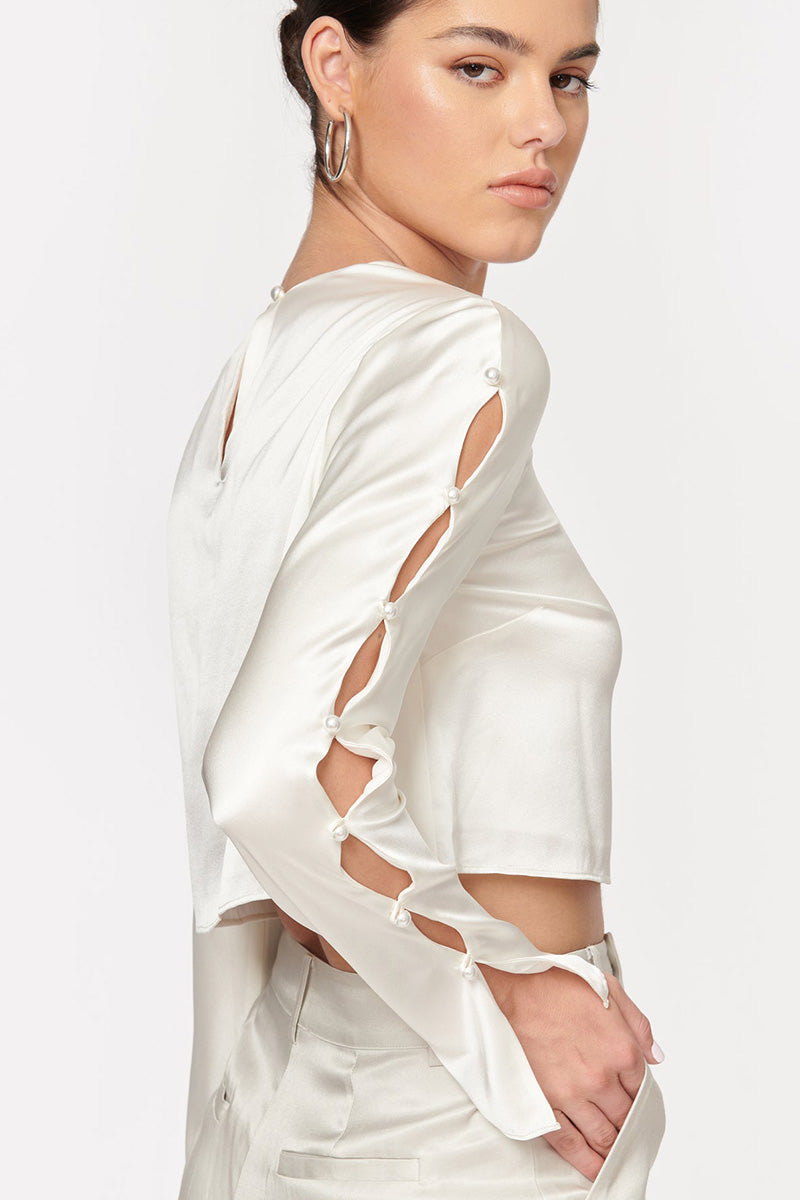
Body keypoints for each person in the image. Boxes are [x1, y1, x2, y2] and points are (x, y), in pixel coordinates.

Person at [167, 1, 668, 1196]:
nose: (540, 125)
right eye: (478, 67)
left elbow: (238, 863)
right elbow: (269, 768)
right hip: (460, 1114)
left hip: (305, 1081)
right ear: (333, 65)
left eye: (569, 78)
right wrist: (510, 994)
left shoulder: (269, 363)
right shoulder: (462, 353)